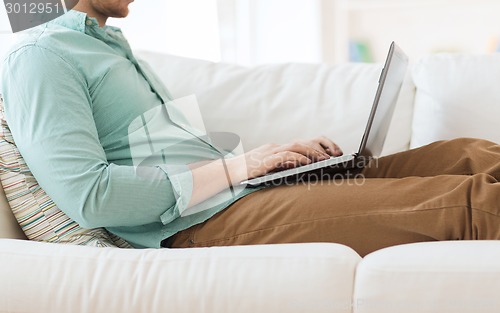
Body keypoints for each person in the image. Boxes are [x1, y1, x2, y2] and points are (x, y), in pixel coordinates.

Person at [2, 0, 500, 257]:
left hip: (235, 195)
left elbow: (166, 161)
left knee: (467, 155)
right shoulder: (41, 56)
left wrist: (267, 158)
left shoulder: (107, 45)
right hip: (197, 226)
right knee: (470, 203)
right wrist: (241, 167)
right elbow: (91, 195)